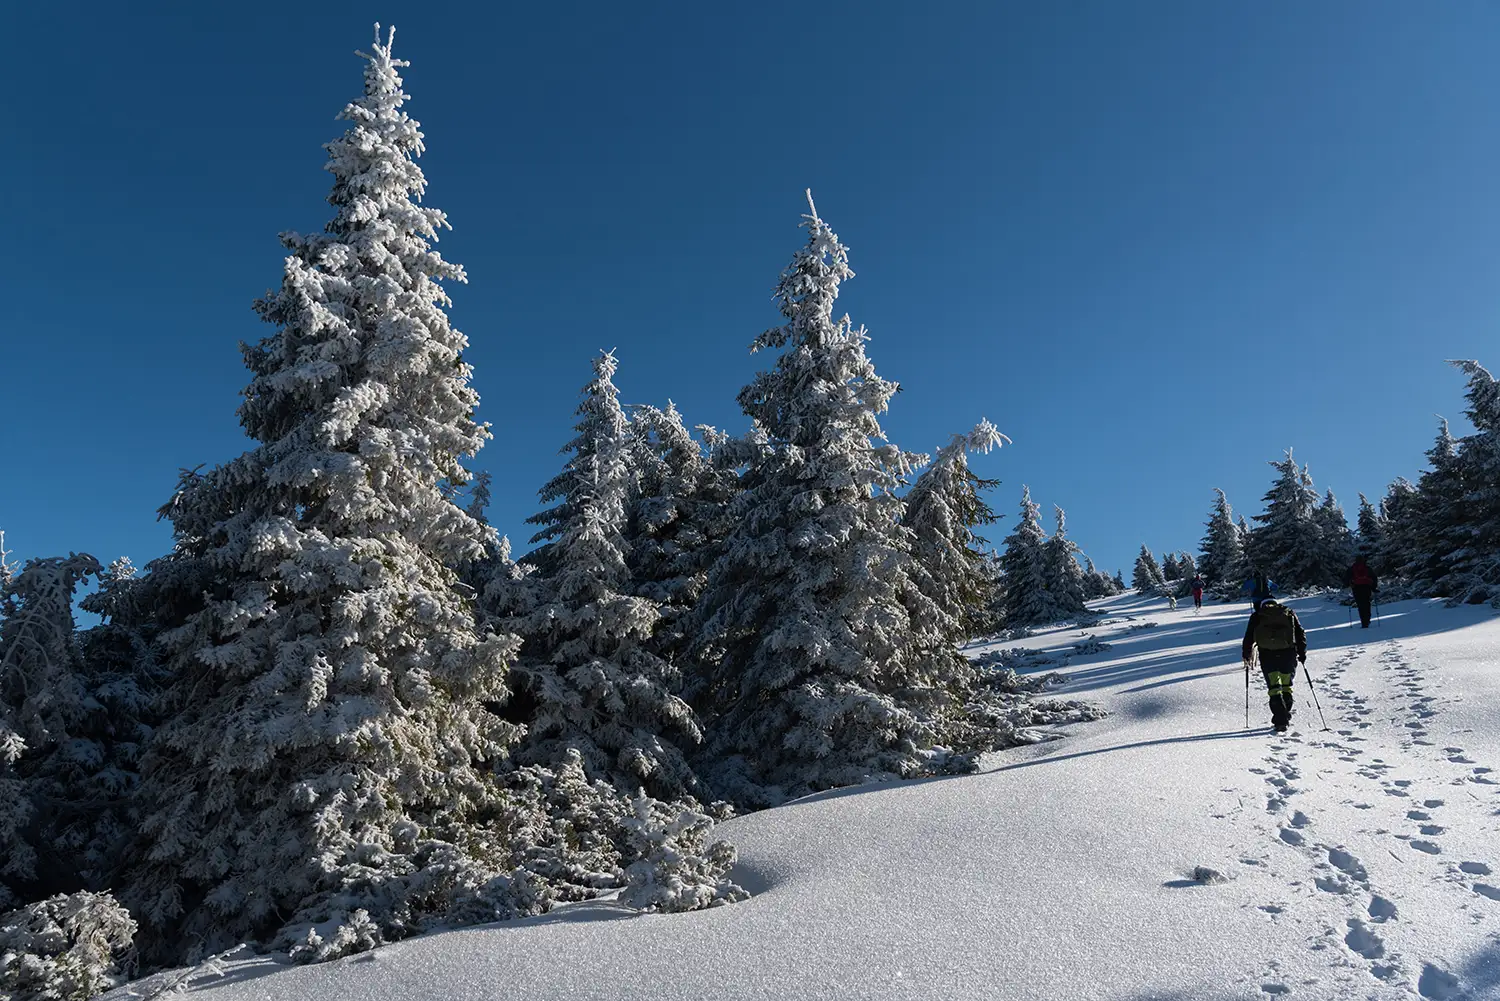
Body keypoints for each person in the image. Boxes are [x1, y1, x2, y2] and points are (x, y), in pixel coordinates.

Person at [1242, 598, 1308, 733]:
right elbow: (1300, 632)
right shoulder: (1288, 613)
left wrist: (1247, 654)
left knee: (1274, 688)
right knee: (1286, 687)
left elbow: (1249, 637)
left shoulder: (1257, 616)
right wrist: (1302, 653)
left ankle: (1280, 720)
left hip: (1268, 655)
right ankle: (1285, 716)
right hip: (1288, 654)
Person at [1346, 554, 1379, 629]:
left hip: (1356, 588)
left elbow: (1346, 578)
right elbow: (1374, 578)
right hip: (1366, 588)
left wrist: (1349, 584)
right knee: (1367, 603)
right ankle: (1367, 619)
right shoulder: (1367, 568)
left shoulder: (1352, 568)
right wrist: (1374, 588)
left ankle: (1363, 622)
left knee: (1360, 605)